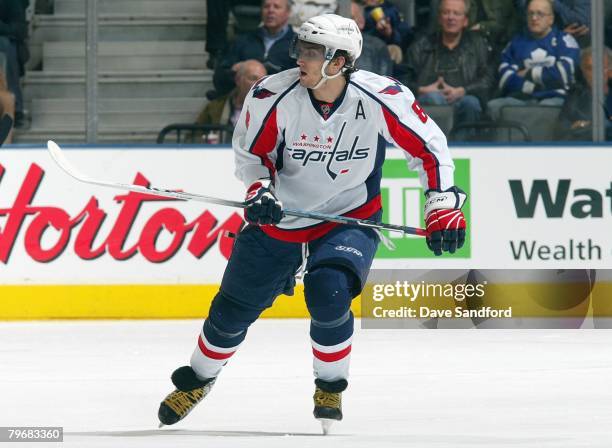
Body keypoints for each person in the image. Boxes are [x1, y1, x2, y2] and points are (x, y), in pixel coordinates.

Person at [158, 14, 467, 431]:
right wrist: (259, 191)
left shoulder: (381, 97)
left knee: (330, 292)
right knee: (233, 309)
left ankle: (330, 385)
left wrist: (443, 204)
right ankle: (198, 378)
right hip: (281, 216)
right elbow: (254, 156)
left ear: (339, 61)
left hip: (349, 216)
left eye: (311, 52)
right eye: (299, 49)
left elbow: (430, 150)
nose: (298, 58)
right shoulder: (270, 94)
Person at [403, 0, 494, 139]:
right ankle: (435, 148)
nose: (451, 17)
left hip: (464, 98)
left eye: (456, 13)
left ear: (465, 20)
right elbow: (403, 80)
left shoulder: (478, 45)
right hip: (429, 99)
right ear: (439, 18)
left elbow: (488, 79)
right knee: (434, 99)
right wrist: (420, 90)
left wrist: (463, 90)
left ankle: (464, 148)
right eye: (446, 12)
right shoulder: (420, 45)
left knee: (471, 103)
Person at [487, 0, 580, 122]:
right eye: (530, 14)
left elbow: (563, 75)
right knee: (494, 106)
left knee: (547, 109)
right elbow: (505, 78)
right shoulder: (516, 43)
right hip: (521, 99)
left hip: (554, 99)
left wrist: (527, 73)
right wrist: (537, 87)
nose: (534, 18)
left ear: (551, 19)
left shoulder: (565, 41)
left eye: (540, 14)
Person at [213, 0, 297, 97]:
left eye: (276, 7)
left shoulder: (298, 44)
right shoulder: (243, 41)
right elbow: (219, 77)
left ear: (288, 12)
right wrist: (237, 70)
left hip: (281, 102)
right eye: (266, 6)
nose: (270, 10)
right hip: (243, 101)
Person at [196, 60, 267, 142]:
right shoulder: (216, 107)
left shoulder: (273, 110)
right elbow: (192, 137)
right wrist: (205, 141)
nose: (259, 85)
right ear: (238, 80)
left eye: (264, 81)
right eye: (253, 78)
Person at [554, 47, 612, 141]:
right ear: (583, 72)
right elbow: (561, 135)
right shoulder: (574, 99)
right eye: (590, 68)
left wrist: (586, 125)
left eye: (601, 67)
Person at [0, 0, 28, 127]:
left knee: (6, 45)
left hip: (8, 42)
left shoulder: (12, 2)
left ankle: (15, 109)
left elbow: (19, 30)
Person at [351, 0, 393, 75]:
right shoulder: (329, 44)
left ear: (361, 22)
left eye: (351, 19)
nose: (345, 24)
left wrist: (390, 34)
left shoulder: (377, 47)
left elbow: (383, 82)